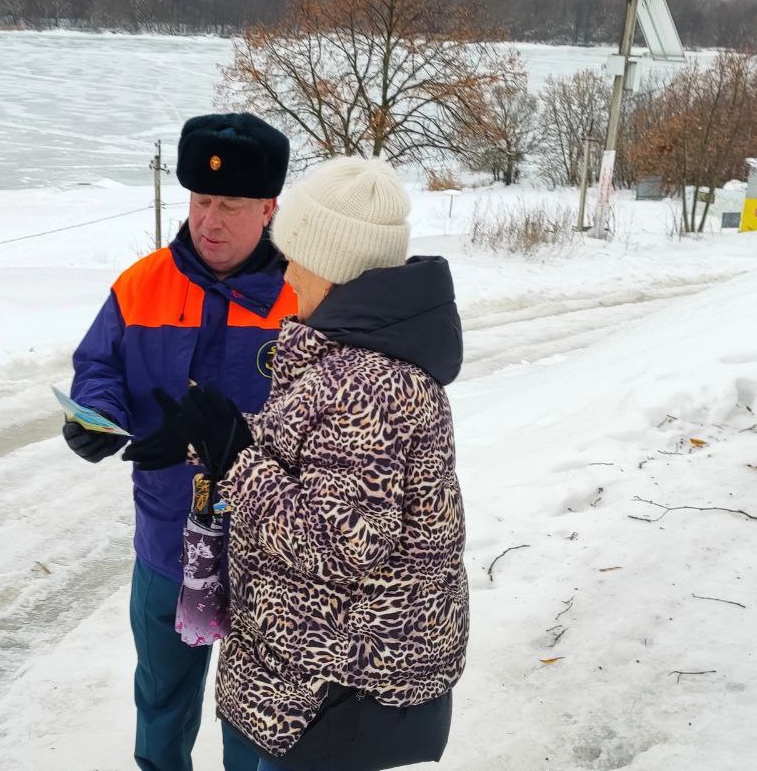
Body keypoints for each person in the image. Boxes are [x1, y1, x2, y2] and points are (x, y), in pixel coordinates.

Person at [166, 156, 469, 771]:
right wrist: (213, 439)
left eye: (295, 255)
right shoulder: (350, 357)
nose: (288, 275)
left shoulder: (372, 383)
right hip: (298, 671)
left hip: (330, 694)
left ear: (331, 264)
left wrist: (240, 461)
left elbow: (343, 542)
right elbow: (319, 459)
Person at [64, 113, 298, 771]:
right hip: (168, 545)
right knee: (161, 709)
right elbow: (100, 365)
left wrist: (244, 442)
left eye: (230, 204)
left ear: (269, 207)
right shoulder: (142, 284)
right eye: (201, 200)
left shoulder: (302, 297)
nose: (209, 220)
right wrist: (95, 414)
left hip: (269, 557)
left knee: (260, 727)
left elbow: (332, 425)